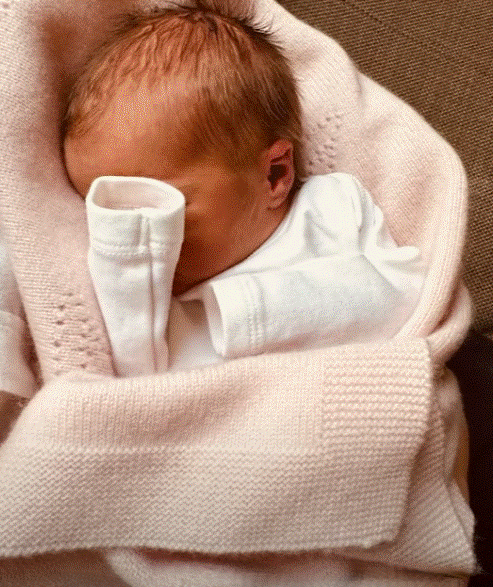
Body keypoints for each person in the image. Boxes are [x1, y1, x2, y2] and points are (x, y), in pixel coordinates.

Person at [62, 2, 425, 379]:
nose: (140, 237)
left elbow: (406, 294)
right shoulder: (150, 306)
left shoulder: (330, 211)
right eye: (105, 214)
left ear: (274, 175)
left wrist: (249, 309)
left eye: (165, 207)